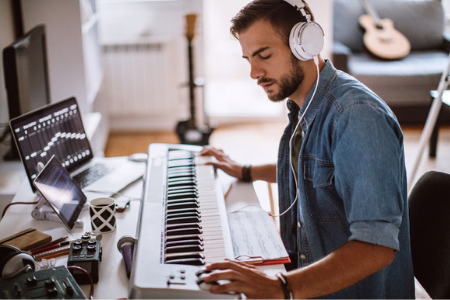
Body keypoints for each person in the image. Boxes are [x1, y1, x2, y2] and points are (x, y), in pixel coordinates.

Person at [199, 0, 415, 298]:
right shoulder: (308, 105)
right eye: (248, 58)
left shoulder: (356, 116)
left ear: (305, 44)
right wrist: (245, 171)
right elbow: (317, 171)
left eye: (263, 55)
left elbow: (376, 248)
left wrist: (282, 287)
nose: (254, 72)